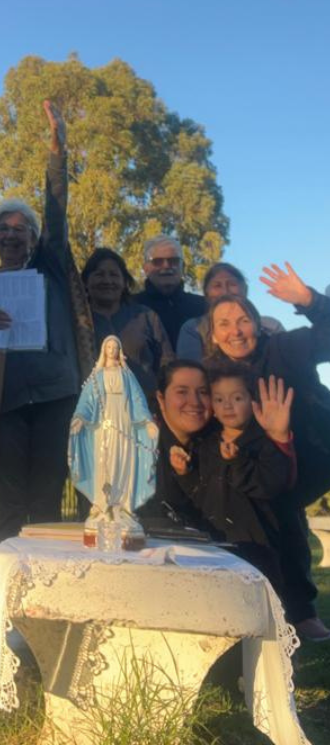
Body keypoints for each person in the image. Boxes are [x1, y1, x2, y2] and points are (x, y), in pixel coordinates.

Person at [0, 102, 96, 564]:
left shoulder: (50, 270)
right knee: (8, 501)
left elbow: (57, 214)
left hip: (56, 397)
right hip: (5, 406)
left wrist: (57, 152)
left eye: (21, 228)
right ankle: (7, 578)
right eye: (3, 228)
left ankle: (49, 581)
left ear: (34, 237)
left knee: (46, 498)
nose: (12, 235)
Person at [205, 263, 330, 641]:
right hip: (259, 462)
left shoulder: (284, 349)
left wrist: (309, 300)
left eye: (243, 321)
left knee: (283, 509)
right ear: (213, 334)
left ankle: (301, 611)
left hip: (313, 453)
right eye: (224, 324)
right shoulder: (212, 372)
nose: (235, 331)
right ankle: (250, 605)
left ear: (258, 325)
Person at [170, 367, 295, 604]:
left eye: (237, 398)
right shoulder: (205, 445)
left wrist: (237, 462)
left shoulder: (262, 443)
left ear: (253, 402)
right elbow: (200, 495)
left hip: (257, 549)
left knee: (258, 608)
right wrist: (184, 473)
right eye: (219, 399)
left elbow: (269, 485)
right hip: (214, 546)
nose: (228, 405)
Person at [68, 337, 158, 528]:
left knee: (124, 460)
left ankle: (124, 505)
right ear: (104, 349)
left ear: (119, 350)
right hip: (103, 424)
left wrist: (147, 421)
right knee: (104, 461)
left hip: (124, 422)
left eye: (115, 347)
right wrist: (80, 418)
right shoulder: (97, 376)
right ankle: (102, 504)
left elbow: (137, 399)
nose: (111, 349)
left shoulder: (127, 376)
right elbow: (87, 401)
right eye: (108, 347)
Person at [81, 248, 173, 397]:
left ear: (124, 282)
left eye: (114, 275)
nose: (107, 281)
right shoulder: (76, 322)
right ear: (86, 282)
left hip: (145, 405)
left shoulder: (146, 316)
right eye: (99, 274)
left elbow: (167, 363)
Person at [139, 360, 213, 530]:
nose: (195, 402)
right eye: (182, 392)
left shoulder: (220, 446)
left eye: (203, 392)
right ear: (161, 399)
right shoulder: (140, 448)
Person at [175, 262, 283, 360]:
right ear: (206, 293)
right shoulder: (194, 329)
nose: (225, 291)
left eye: (232, 284)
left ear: (245, 289)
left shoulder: (271, 326)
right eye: (217, 286)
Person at [133, 235, 207, 350]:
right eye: (157, 262)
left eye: (174, 261)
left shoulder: (203, 307)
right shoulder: (130, 307)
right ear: (146, 268)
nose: (166, 266)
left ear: (183, 267)